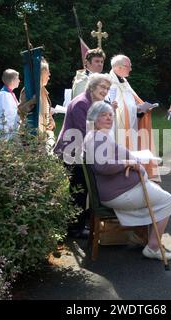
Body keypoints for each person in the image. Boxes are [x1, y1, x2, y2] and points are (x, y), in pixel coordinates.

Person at [84, 101, 171, 260]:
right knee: (167, 200)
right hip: (118, 194)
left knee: (157, 192)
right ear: (94, 118)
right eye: (103, 115)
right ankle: (153, 247)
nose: (109, 118)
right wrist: (128, 163)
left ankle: (140, 236)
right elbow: (103, 166)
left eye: (110, 115)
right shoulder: (98, 138)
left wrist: (132, 159)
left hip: (117, 190)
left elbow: (114, 157)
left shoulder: (97, 135)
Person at [54, 73, 114, 238]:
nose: (105, 91)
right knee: (78, 191)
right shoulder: (82, 103)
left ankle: (79, 225)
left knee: (82, 190)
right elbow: (85, 131)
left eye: (107, 88)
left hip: (81, 152)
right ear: (92, 86)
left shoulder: (94, 103)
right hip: (71, 152)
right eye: (102, 87)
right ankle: (74, 229)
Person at [108, 54, 159, 181]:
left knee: (132, 154)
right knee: (121, 156)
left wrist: (142, 109)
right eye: (128, 66)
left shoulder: (125, 82)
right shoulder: (108, 83)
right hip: (116, 130)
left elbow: (132, 104)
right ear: (119, 67)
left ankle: (132, 178)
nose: (130, 69)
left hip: (131, 127)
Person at [0, 69, 21, 135]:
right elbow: (2, 115)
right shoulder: (3, 94)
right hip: (5, 134)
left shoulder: (11, 94)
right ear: (12, 81)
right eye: (17, 79)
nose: (19, 81)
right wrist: (5, 134)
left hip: (12, 132)